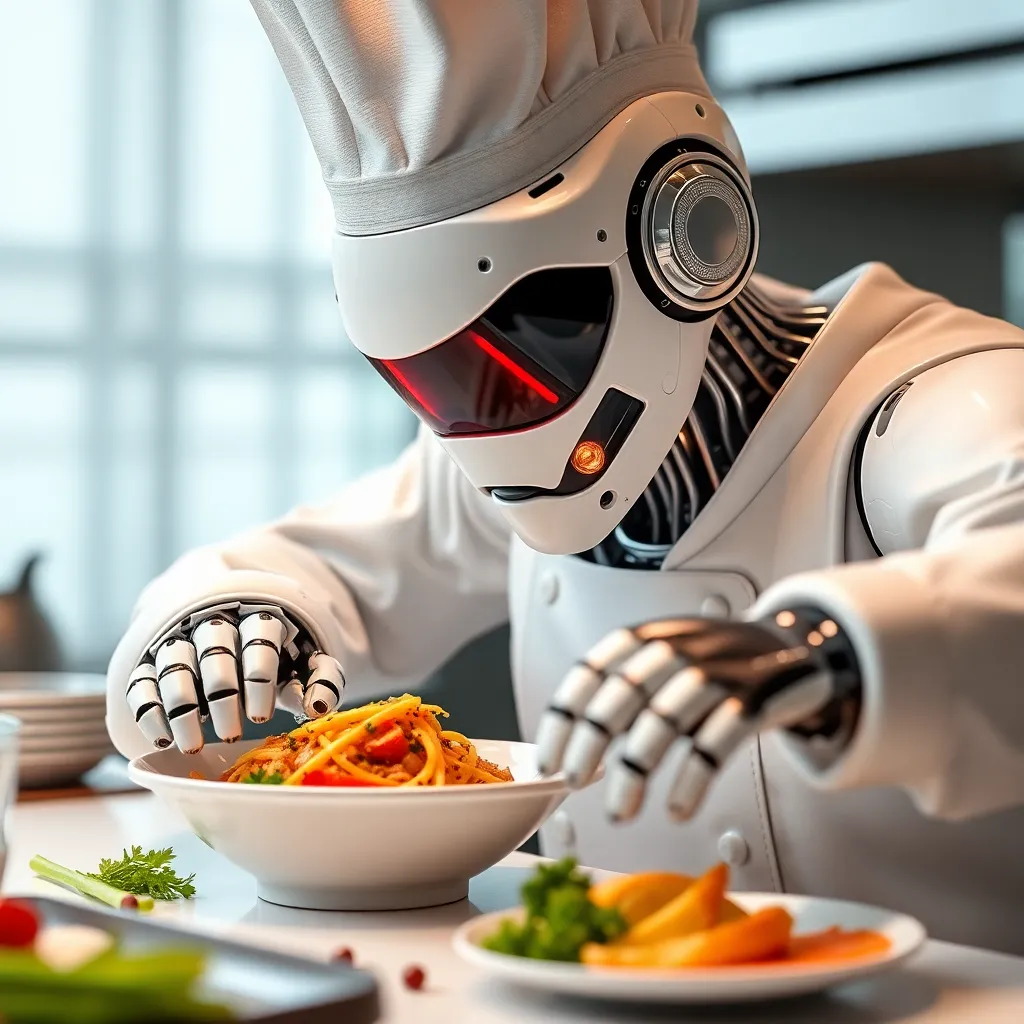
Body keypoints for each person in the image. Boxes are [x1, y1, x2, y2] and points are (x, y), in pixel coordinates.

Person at [107, 1, 1024, 954]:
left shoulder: (935, 404)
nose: (479, 427)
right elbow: (320, 569)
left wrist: (825, 649)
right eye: (433, 382)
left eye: (513, 349)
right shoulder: (493, 457)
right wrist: (227, 617)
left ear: (687, 231)